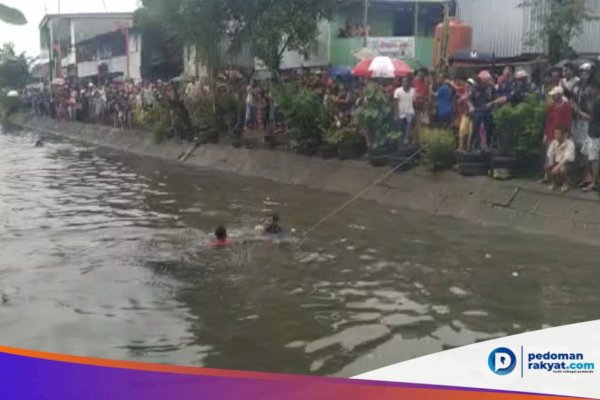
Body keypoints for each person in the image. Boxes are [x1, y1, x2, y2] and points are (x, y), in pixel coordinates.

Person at [545, 127, 576, 193]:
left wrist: (557, 167)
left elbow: (566, 158)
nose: (555, 135)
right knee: (547, 166)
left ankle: (565, 183)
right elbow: (550, 153)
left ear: (564, 135)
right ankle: (553, 182)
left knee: (562, 169)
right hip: (556, 161)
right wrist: (551, 162)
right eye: (555, 133)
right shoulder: (553, 142)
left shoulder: (570, 144)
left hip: (566, 163)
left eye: (557, 134)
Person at [394, 76, 416, 146]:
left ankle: (406, 139)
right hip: (401, 112)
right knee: (401, 129)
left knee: (409, 121)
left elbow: (415, 101)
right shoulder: (397, 91)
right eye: (403, 82)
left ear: (409, 83)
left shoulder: (413, 90)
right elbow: (395, 103)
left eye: (406, 82)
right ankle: (401, 143)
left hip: (410, 111)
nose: (404, 83)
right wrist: (396, 114)